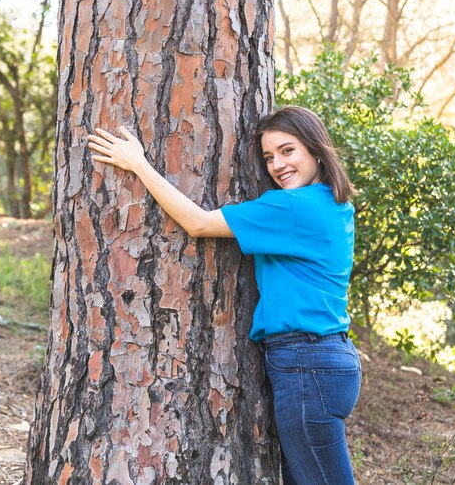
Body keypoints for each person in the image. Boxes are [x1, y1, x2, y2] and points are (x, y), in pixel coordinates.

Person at [87, 105, 361, 485]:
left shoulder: (293, 206)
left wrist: (139, 165)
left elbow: (197, 223)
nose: (277, 165)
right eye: (269, 157)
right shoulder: (334, 203)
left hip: (306, 364)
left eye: (288, 150)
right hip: (322, 359)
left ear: (315, 149)